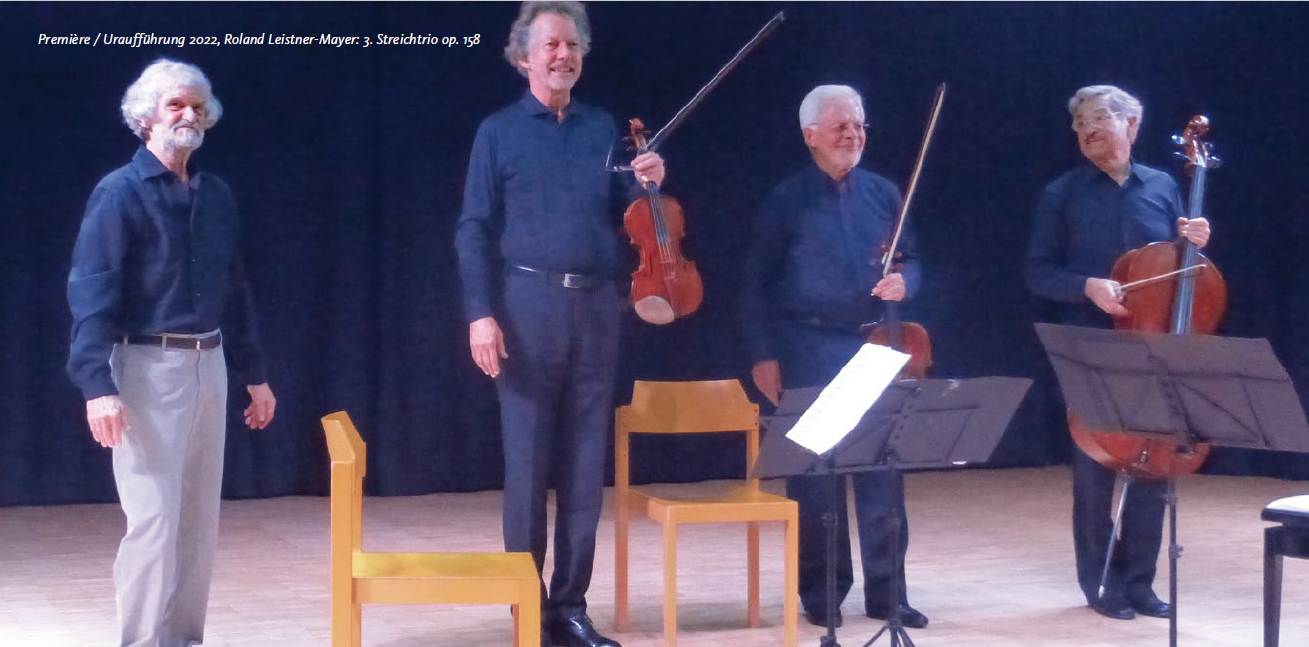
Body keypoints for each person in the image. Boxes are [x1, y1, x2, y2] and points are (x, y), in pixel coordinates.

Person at [453, 3, 664, 646]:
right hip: (526, 307)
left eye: (572, 44)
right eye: (550, 45)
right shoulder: (498, 131)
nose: (563, 54)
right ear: (524, 57)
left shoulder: (604, 129)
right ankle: (528, 606)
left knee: (583, 465)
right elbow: (473, 229)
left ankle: (571, 606)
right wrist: (480, 313)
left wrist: (649, 183)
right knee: (527, 466)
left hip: (597, 309)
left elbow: (632, 216)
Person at [66, 59, 276, 647]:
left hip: (210, 363)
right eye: (175, 105)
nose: (188, 115)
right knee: (155, 518)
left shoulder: (216, 195)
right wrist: (96, 386)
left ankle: (182, 639)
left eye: (196, 106)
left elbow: (234, 288)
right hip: (146, 366)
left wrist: (255, 374)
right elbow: (91, 292)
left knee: (198, 520)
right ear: (146, 118)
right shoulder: (119, 194)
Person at [742, 84, 928, 630]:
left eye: (859, 125)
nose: (853, 134)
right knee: (815, 478)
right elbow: (754, 284)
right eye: (841, 126)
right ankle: (822, 592)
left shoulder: (886, 194)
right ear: (811, 136)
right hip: (809, 345)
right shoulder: (785, 200)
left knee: (883, 474)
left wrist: (906, 281)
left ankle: (888, 594)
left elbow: (912, 259)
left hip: (877, 344)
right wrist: (763, 355)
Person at [1025, 84, 1210, 620]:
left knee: (1153, 465)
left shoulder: (1163, 186)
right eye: (1080, 127)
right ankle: (1101, 582)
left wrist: (1196, 238)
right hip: (1090, 344)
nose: (1087, 133)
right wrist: (1087, 286)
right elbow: (1037, 273)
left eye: (1098, 123)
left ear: (1132, 126)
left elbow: (1180, 267)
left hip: (1155, 346)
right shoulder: (1061, 194)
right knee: (1095, 470)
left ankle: (1140, 584)